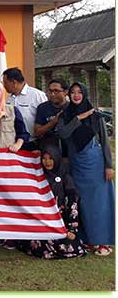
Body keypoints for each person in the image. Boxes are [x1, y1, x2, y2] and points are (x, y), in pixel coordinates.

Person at [57, 82, 114, 256]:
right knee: (81, 203)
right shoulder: (65, 115)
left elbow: (104, 140)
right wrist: (78, 118)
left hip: (95, 163)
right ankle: (86, 240)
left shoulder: (96, 115)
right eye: (72, 92)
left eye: (79, 92)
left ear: (84, 94)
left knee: (99, 203)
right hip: (77, 164)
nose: (76, 95)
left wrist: (109, 165)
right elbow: (63, 134)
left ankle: (102, 242)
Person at [17, 145, 87, 259]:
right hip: (42, 221)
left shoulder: (66, 178)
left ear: (57, 159)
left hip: (60, 222)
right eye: (44, 159)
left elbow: (72, 205)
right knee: (40, 243)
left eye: (51, 158)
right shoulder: (39, 177)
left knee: (67, 243)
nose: (47, 162)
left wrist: (71, 229)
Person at [2, 67, 47, 144]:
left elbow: (46, 117)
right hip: (13, 142)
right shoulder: (9, 99)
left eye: (5, 83)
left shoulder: (37, 95)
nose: (4, 86)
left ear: (14, 82)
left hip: (33, 142)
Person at [34, 78, 69, 151]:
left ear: (65, 92)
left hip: (68, 149)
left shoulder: (71, 107)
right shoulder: (42, 108)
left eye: (56, 91)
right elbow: (37, 132)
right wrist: (54, 121)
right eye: (50, 91)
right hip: (48, 151)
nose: (52, 94)